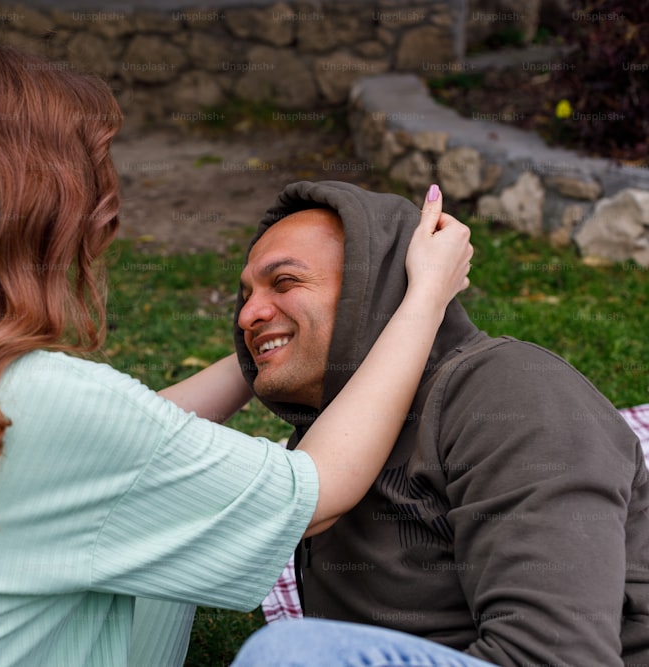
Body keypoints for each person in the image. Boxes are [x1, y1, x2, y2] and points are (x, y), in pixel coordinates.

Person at [0, 42, 475, 666]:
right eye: (91, 176)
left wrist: (262, 354)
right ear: (35, 204)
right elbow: (316, 490)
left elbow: (118, 448)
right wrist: (423, 295)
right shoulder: (41, 402)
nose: (106, 204)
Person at [232, 179, 649, 667]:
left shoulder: (507, 390)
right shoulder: (327, 440)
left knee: (287, 655)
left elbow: (557, 655)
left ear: (374, 291)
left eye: (285, 282)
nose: (246, 316)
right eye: (245, 296)